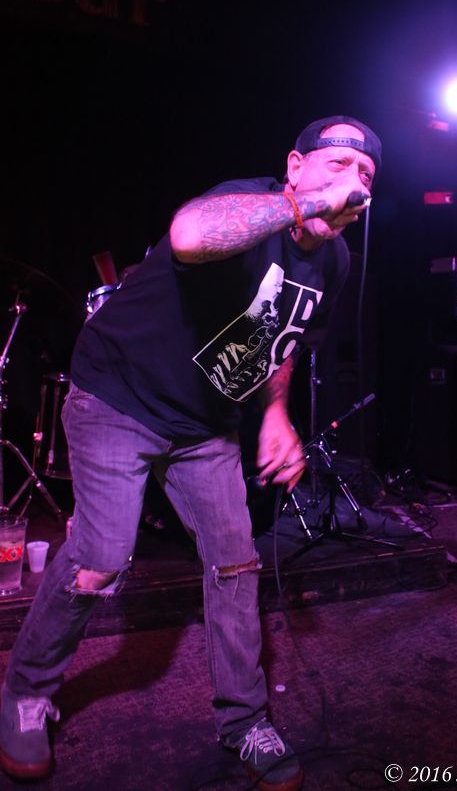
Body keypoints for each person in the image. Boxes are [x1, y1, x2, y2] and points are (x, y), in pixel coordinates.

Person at [0, 115, 382, 790]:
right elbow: (189, 235)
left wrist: (275, 415)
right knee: (99, 560)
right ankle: (25, 693)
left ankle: (244, 721)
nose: (353, 185)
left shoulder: (336, 261)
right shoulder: (246, 203)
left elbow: (286, 338)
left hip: (205, 425)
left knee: (236, 562)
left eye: (365, 175)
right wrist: (308, 204)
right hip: (119, 395)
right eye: (336, 166)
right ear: (294, 168)